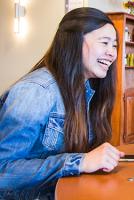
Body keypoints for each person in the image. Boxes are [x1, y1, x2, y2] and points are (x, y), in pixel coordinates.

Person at [0, 8, 124, 199]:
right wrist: (79, 162)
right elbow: (3, 170)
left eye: (114, 45)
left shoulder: (86, 89)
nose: (112, 53)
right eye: (104, 43)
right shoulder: (36, 91)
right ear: (74, 42)